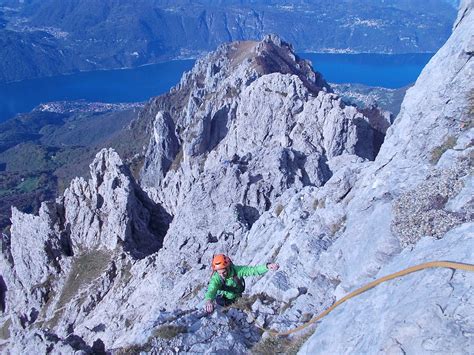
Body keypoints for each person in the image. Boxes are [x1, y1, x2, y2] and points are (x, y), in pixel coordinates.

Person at [204, 254, 279, 313]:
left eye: (224, 272)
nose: (222, 275)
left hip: (236, 298)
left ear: (228, 267)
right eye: (219, 273)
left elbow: (253, 270)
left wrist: (267, 267)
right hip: (222, 300)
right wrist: (208, 300)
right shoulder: (216, 277)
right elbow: (212, 289)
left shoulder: (237, 271)